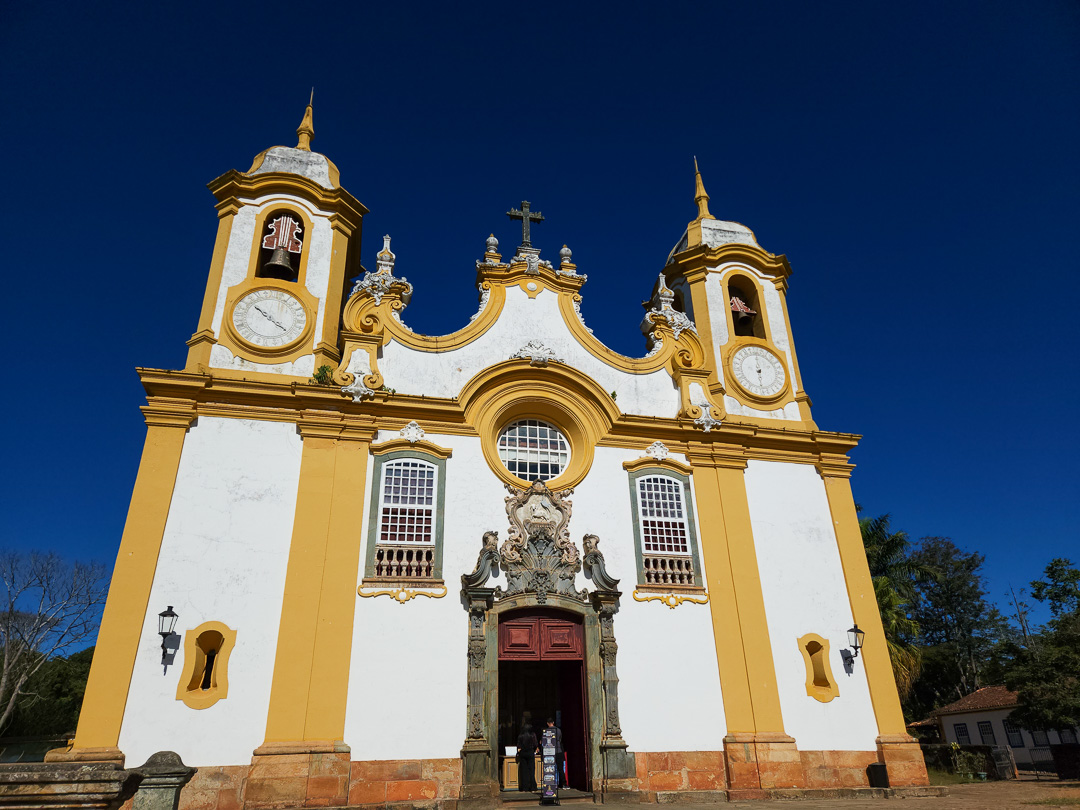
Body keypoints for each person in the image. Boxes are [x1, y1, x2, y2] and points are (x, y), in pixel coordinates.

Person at [516, 723, 538, 792]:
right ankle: (532, 787)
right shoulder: (532, 735)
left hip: (523, 753)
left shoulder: (521, 735)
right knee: (531, 770)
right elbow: (535, 744)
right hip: (530, 752)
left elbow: (518, 745)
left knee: (524, 770)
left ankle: (524, 787)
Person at [546, 717, 565, 788]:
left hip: (550, 751)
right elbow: (560, 739)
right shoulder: (558, 730)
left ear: (547, 723)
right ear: (553, 722)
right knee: (560, 769)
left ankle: (552, 783)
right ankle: (563, 783)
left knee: (551, 769)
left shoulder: (547, 731)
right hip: (558, 750)